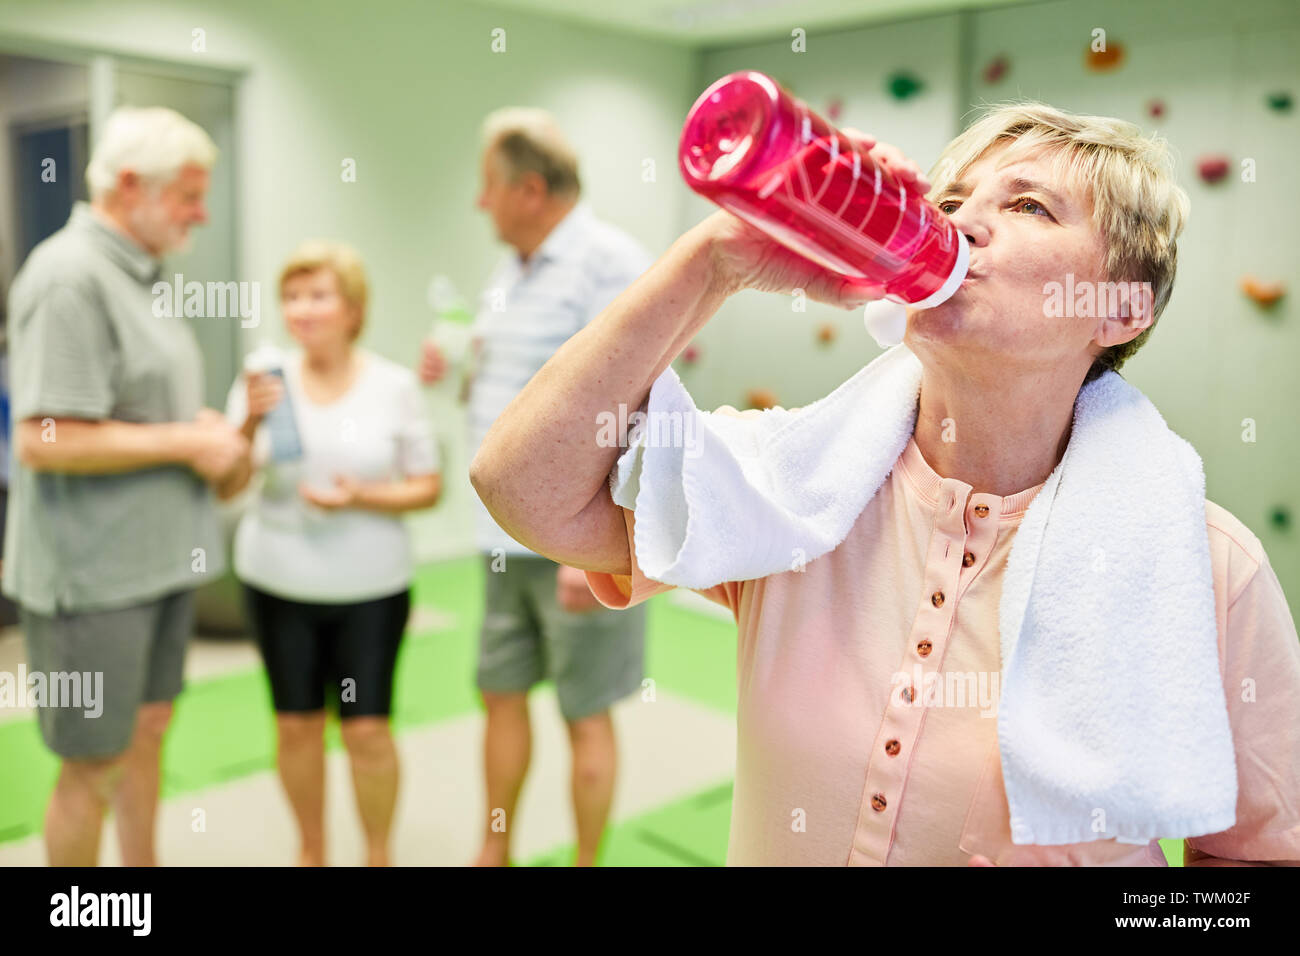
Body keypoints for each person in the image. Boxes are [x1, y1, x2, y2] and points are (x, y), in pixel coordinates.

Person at [469, 103, 1300, 866]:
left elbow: (1252, 867)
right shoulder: (790, 490)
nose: (962, 222)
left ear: (1121, 308)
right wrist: (716, 259)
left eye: (1028, 206)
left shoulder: (1208, 571)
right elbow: (519, 484)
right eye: (952, 200)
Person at [4, 106, 247, 866]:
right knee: (93, 764)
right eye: (190, 196)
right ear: (131, 185)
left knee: (145, 737)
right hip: (94, 579)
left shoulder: (143, 272)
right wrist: (188, 439)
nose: (202, 213)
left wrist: (193, 423)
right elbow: (42, 439)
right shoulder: (67, 275)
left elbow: (127, 409)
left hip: (166, 563)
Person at [420, 108, 651, 866]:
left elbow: (638, 405)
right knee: (501, 694)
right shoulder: (510, 271)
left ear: (527, 189)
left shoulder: (608, 262)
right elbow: (517, 390)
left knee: (584, 714)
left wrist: (595, 547)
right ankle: (497, 854)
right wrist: (456, 370)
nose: (479, 204)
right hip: (500, 540)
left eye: (488, 187)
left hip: (575, 547)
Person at [220, 240, 441, 867]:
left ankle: (377, 854)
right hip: (277, 579)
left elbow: (427, 487)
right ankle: (311, 851)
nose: (302, 310)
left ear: (352, 309)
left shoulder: (393, 385)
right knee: (296, 725)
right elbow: (227, 486)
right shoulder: (263, 384)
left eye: (318, 295)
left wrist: (361, 496)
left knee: (366, 728)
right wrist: (247, 427)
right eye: (291, 297)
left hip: (370, 587)